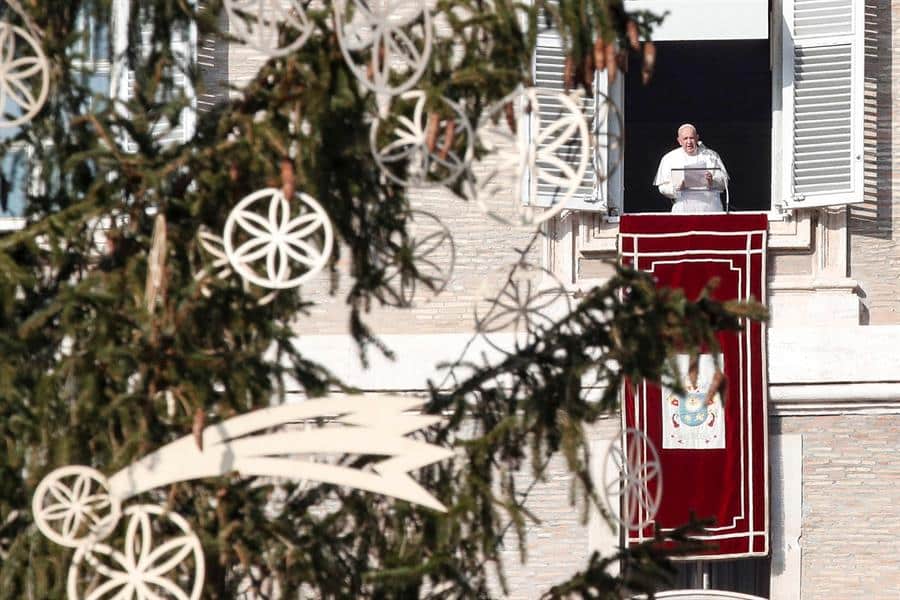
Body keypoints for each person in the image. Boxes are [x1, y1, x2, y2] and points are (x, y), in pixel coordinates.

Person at [653, 124, 729, 213]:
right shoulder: (669, 158)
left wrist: (712, 181)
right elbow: (662, 187)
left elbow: (725, 183)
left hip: (710, 209)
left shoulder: (711, 156)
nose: (689, 142)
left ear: (697, 138)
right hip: (683, 209)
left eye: (691, 138)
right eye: (685, 138)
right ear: (679, 141)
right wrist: (678, 187)